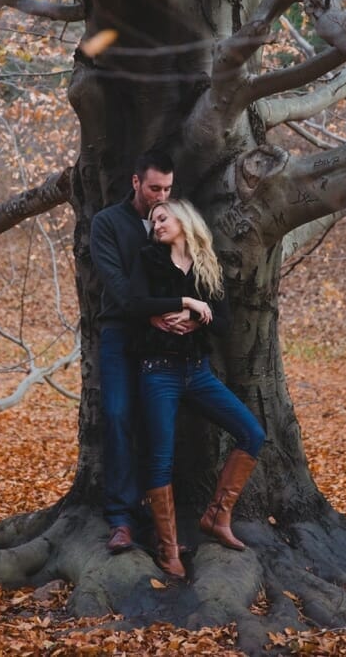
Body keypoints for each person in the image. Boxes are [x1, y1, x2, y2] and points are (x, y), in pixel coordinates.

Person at [127, 199, 266, 579]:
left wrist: (196, 316)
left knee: (252, 432)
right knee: (161, 457)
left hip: (197, 372)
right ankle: (168, 548)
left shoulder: (207, 266)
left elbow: (222, 323)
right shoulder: (148, 260)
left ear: (184, 220)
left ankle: (217, 516)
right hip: (158, 371)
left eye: (163, 217)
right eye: (153, 220)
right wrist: (183, 301)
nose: (156, 225)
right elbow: (134, 303)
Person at [89, 150, 178, 554]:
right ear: (136, 182)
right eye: (155, 187)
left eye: (168, 189)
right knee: (118, 415)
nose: (161, 196)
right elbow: (117, 284)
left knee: (160, 423)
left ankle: (165, 525)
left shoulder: (174, 220)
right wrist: (154, 314)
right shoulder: (107, 223)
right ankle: (121, 520)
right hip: (120, 333)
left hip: (168, 338)